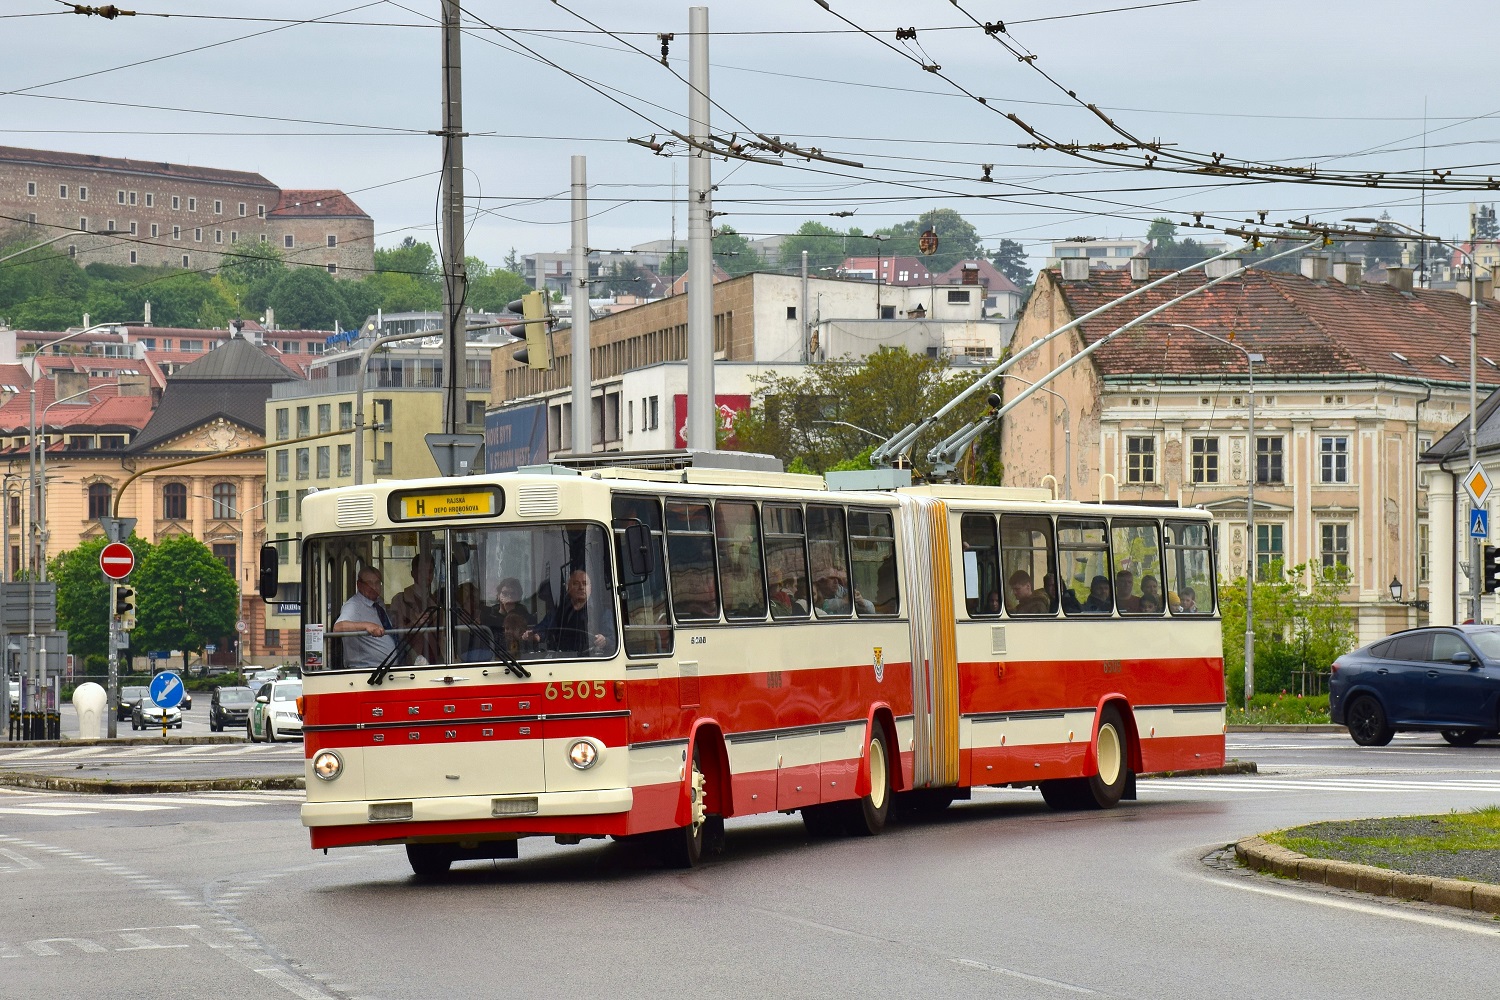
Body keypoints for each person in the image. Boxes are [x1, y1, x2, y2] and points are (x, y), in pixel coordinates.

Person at [526, 568, 614, 655]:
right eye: (576, 583)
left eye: (584, 583)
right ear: (569, 587)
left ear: (590, 588)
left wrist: (604, 640)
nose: (581, 587)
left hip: (591, 659)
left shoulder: (602, 612)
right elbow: (542, 629)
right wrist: (535, 636)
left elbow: (613, 639)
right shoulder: (558, 613)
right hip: (563, 659)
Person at [332, 567, 397, 668]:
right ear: (359, 585)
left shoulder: (378, 603)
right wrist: (367, 626)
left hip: (386, 669)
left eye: (377, 583)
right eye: (369, 583)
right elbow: (338, 627)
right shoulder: (353, 605)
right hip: (366, 670)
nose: (374, 587)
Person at [390, 552, 440, 663]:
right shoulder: (399, 600)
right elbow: (394, 635)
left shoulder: (437, 601)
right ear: (413, 573)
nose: (427, 576)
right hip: (409, 661)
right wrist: (414, 623)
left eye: (430, 571)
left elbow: (444, 636)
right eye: (422, 572)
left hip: (437, 661)